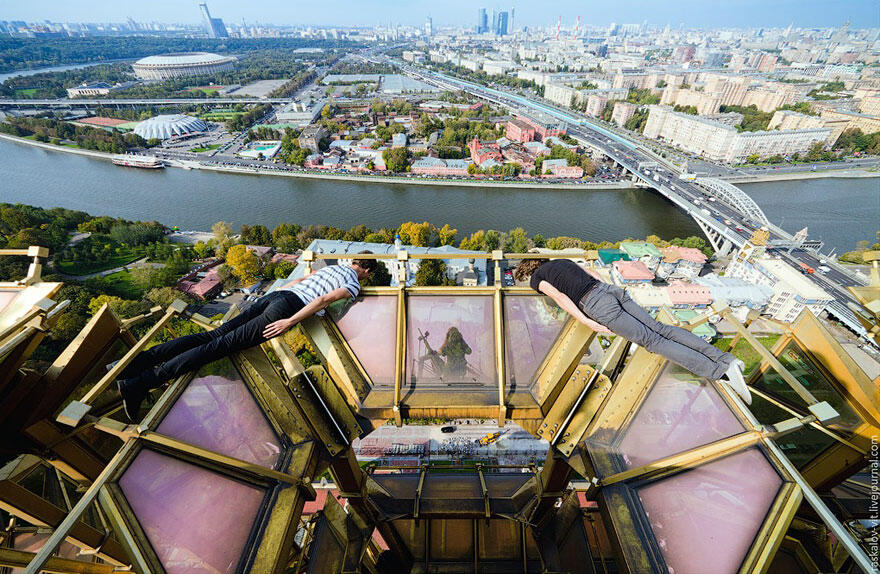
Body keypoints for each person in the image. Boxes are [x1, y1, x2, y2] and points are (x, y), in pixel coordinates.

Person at [116, 253, 379, 420]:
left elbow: (297, 282)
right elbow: (323, 300)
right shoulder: (354, 284)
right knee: (219, 346)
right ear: (366, 271)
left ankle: (136, 364)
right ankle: (140, 383)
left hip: (275, 297)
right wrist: (290, 320)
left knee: (215, 335)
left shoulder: (331, 268)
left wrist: (272, 300)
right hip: (287, 308)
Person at [514, 258, 751, 404]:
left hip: (596, 304)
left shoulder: (537, 279)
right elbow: (593, 274)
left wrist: (588, 322)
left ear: (527, 273)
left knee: (653, 341)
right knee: (661, 329)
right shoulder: (561, 262)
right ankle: (726, 360)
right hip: (609, 290)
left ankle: (719, 372)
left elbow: (561, 298)